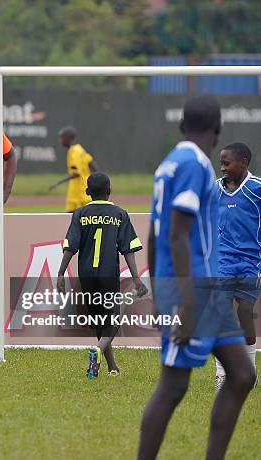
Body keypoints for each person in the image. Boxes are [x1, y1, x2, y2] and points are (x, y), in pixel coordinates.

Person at [137, 95, 255, 460]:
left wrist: (160, 296)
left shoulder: (168, 164)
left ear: (181, 125)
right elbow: (174, 234)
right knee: (173, 386)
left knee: (241, 375)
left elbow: (155, 233)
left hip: (205, 293)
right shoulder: (195, 165)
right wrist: (182, 304)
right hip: (194, 293)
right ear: (218, 129)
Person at [57, 172, 147, 378]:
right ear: (109, 191)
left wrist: (61, 273)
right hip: (108, 273)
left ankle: (111, 366)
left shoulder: (79, 214)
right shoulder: (120, 214)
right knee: (113, 320)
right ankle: (97, 350)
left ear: (87, 192)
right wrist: (136, 278)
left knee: (100, 320)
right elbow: (128, 249)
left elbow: (70, 247)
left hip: (86, 274)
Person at [214, 142, 259, 390]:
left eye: (226, 163)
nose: (222, 167)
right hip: (222, 261)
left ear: (243, 163)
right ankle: (222, 374)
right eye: (220, 162)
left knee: (244, 312)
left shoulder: (256, 189)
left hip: (252, 261)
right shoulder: (215, 190)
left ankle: (250, 371)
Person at [48, 126, 98, 212]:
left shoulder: (74, 152)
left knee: (72, 218)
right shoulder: (80, 149)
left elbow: (76, 173)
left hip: (78, 194)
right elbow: (93, 165)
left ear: (68, 138)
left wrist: (58, 182)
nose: (60, 140)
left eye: (62, 137)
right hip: (85, 191)